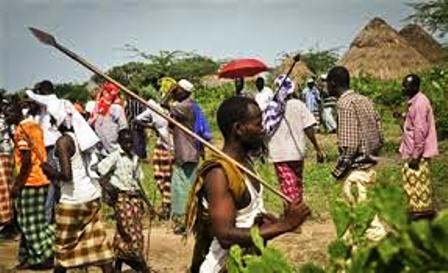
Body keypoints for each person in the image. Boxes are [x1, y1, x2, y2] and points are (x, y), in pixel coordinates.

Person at [185, 96, 311, 273]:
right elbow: (225, 236)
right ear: (238, 129)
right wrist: (285, 225)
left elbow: (245, 219)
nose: (263, 130)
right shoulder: (219, 174)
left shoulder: (245, 164)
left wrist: (269, 222)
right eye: (258, 124)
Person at [41, 106, 114, 273]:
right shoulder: (81, 138)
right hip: (91, 197)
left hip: (73, 202)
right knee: (100, 248)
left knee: (63, 250)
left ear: (58, 122)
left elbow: (67, 176)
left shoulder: (63, 141)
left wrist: (50, 171)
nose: (51, 123)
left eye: (52, 120)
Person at [326, 66, 386, 242]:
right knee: (355, 221)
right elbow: (380, 137)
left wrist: (338, 173)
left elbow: (350, 147)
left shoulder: (344, 104)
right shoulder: (365, 100)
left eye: (327, 83)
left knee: (368, 224)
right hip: (370, 169)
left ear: (333, 83)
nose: (326, 87)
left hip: (355, 173)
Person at [5, 102, 54, 270]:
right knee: (32, 220)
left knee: (30, 222)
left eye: (9, 113)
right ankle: (29, 256)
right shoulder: (34, 125)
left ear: (18, 112)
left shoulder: (21, 130)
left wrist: (17, 185)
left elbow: (26, 160)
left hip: (31, 181)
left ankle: (45, 255)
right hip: (41, 178)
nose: (6, 116)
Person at [96, 129, 150, 273]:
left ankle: (119, 263)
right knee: (131, 231)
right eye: (125, 142)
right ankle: (139, 263)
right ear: (120, 142)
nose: (128, 145)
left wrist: (148, 204)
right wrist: (108, 187)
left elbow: (138, 181)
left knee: (126, 230)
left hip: (135, 198)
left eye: (131, 142)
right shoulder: (115, 157)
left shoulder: (135, 158)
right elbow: (98, 171)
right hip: (121, 197)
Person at [268, 75, 325, 203]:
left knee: (288, 186)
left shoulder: (272, 108)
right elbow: (309, 128)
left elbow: (264, 128)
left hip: (279, 154)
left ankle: (294, 211)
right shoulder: (298, 105)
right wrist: (317, 148)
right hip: (296, 152)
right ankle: (295, 210)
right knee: (296, 184)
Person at [162, 79, 202, 233]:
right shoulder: (189, 105)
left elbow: (163, 104)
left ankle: (186, 222)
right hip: (187, 153)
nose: (175, 92)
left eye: (178, 89)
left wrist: (169, 91)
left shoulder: (185, 106)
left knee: (183, 190)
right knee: (186, 189)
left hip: (186, 154)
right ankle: (188, 222)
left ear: (185, 92)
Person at [399, 74, 438, 220]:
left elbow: (420, 131)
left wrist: (416, 155)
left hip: (417, 156)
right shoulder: (414, 102)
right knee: (413, 190)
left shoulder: (420, 103)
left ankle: (422, 221)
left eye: (406, 85)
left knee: (419, 192)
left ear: (415, 86)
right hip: (412, 153)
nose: (403, 88)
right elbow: (413, 124)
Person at [31, 80, 62, 224]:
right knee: (52, 180)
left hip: (53, 146)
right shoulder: (43, 109)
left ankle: (48, 216)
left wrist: (33, 91)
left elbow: (30, 95)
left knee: (53, 179)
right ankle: (52, 213)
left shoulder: (52, 101)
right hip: (45, 146)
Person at [89, 82, 128, 154]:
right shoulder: (97, 108)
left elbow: (123, 128)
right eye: (106, 92)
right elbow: (90, 123)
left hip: (113, 148)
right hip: (101, 149)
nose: (107, 94)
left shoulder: (116, 108)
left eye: (108, 92)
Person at [0, 99, 16, 239]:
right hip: (5, 156)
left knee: (4, 190)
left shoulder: (2, 120)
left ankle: (8, 224)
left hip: (3, 156)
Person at [125, 95, 148, 160]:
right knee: (140, 141)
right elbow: (145, 115)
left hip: (131, 125)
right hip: (140, 125)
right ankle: (141, 155)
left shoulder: (128, 104)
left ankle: (137, 156)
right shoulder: (141, 104)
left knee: (135, 141)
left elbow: (126, 114)